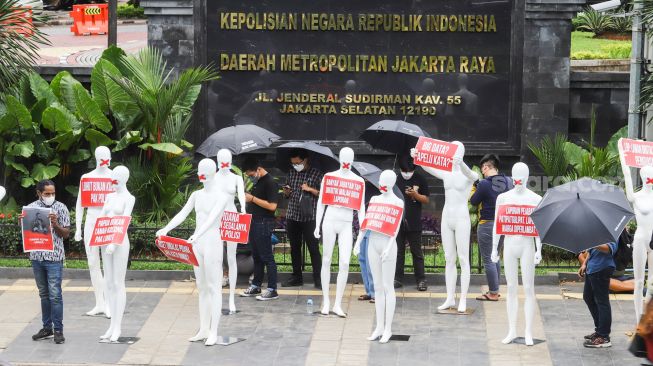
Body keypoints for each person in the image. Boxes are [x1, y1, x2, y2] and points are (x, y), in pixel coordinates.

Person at [27, 180, 71, 345]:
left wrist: (55, 223)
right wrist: (22, 223)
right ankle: (47, 328)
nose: (50, 196)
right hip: (37, 258)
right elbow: (28, 232)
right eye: (47, 194)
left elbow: (66, 233)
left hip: (54, 258)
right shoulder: (31, 208)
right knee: (44, 294)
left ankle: (58, 330)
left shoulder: (61, 208)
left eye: (53, 193)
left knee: (55, 295)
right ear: (39, 193)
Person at [470, 154, 512, 301]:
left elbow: (474, 201)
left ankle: (493, 293)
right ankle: (495, 289)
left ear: (486, 167)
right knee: (496, 256)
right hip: (503, 223)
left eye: (483, 169)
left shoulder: (484, 184)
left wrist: (474, 187)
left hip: (487, 224)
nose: (482, 172)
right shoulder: (508, 182)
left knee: (488, 259)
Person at [281, 148, 323, 288]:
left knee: (313, 248)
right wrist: (286, 192)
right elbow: (286, 194)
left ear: (305, 160)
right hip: (293, 215)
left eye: (298, 163)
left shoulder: (316, 174)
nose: (295, 166)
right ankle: (296, 276)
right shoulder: (291, 173)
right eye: (293, 163)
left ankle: (318, 278)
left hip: (309, 217)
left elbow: (324, 194)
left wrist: (310, 189)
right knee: (295, 248)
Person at [240, 157, 280, 301]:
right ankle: (256, 285)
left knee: (267, 257)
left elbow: (272, 206)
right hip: (254, 221)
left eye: (251, 175)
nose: (250, 178)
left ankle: (272, 289)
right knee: (257, 256)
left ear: (258, 169)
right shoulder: (258, 182)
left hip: (264, 222)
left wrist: (252, 199)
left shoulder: (270, 182)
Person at [395, 156, 430, 291]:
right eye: (405, 172)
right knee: (398, 252)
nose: (407, 174)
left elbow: (426, 199)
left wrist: (415, 195)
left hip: (414, 221)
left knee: (417, 252)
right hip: (398, 221)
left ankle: (421, 280)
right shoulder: (396, 179)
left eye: (410, 171)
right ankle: (397, 279)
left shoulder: (420, 179)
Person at [579, 242, 618, 348]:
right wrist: (584, 263)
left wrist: (593, 243)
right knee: (588, 297)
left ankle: (604, 337)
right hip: (592, 268)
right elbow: (592, 252)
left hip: (602, 268)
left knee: (602, 301)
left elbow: (609, 249)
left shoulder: (610, 232)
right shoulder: (596, 232)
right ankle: (599, 331)